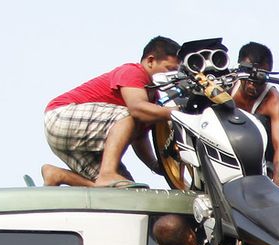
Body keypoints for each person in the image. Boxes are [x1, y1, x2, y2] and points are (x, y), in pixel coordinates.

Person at [42, 37, 179, 188]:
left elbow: (139, 138)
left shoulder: (152, 101)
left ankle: (57, 175)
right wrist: (178, 114)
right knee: (129, 115)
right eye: (169, 69)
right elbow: (136, 109)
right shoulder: (133, 72)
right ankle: (107, 173)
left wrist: (156, 165)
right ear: (150, 61)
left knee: (125, 190)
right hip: (62, 116)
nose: (172, 77)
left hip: (78, 138)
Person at [231, 42, 279, 188]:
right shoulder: (229, 85)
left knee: (257, 122)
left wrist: (278, 186)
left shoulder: (274, 101)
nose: (252, 86)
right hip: (241, 143)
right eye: (248, 79)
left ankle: (266, 175)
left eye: (258, 80)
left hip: (276, 151)